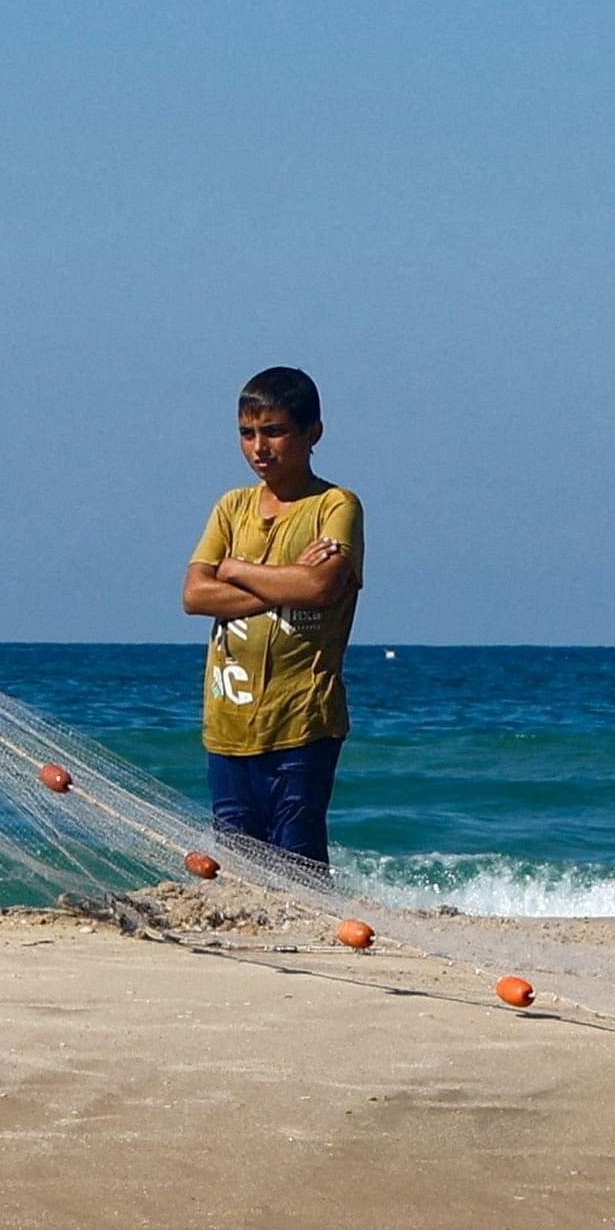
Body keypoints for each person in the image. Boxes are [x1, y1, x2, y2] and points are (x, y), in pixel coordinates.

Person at [182, 367, 363, 868]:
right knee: (238, 857)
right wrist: (281, 585)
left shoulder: (335, 506)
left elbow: (320, 586)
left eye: (274, 432)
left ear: (312, 433)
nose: (259, 447)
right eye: (247, 434)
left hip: (302, 718)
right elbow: (196, 594)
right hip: (229, 718)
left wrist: (237, 569)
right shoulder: (231, 508)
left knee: (297, 855)